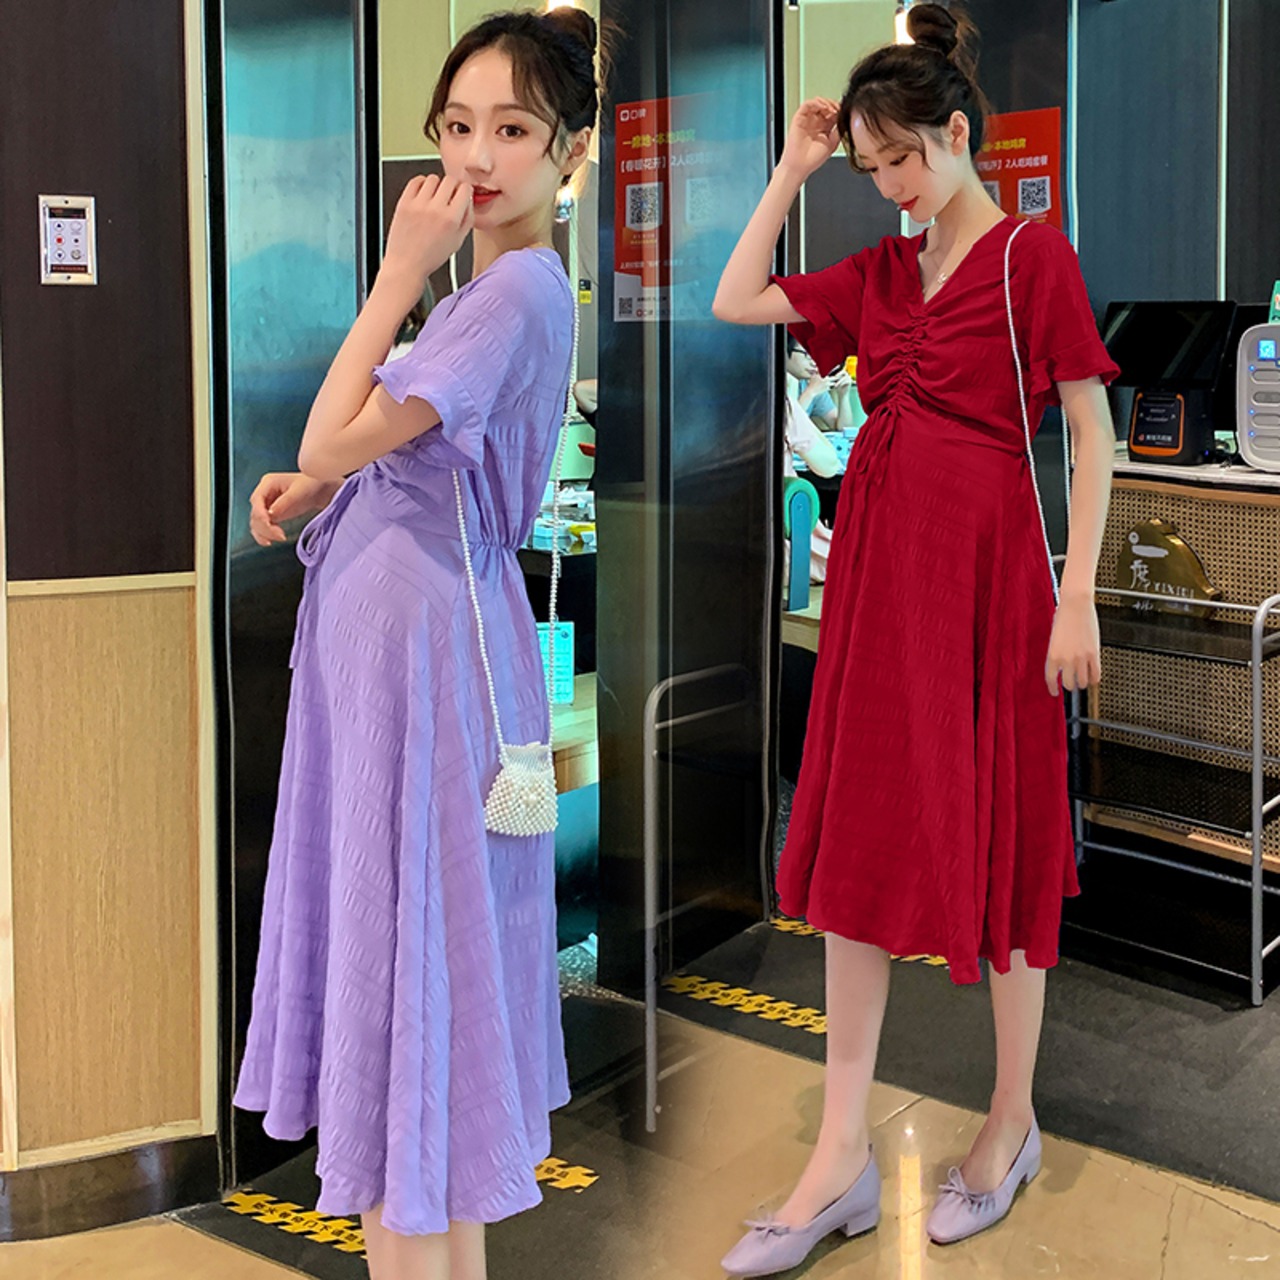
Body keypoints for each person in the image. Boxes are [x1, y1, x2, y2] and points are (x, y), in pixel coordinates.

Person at [712, 3, 1117, 1271]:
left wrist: (1076, 593)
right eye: (870, 164)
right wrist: (793, 169)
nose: (886, 183)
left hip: (991, 585)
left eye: (900, 158)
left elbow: (1089, 433)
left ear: (955, 134)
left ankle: (1009, 1118)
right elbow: (733, 296)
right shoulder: (881, 275)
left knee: (1004, 834)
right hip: (879, 592)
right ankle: (837, 1152)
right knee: (855, 843)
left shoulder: (1030, 259)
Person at [232, 10, 598, 1280]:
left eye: (512, 129)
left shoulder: (509, 290)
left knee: (409, 1009)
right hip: (409, 663)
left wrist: (396, 274)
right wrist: (326, 485)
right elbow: (380, 451)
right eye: (457, 126)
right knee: (418, 1008)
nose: (477, 156)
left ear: (569, 151)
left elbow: (332, 432)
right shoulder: (492, 293)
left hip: (428, 672)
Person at [786, 334, 858, 432]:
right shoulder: (769, 384)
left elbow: (844, 430)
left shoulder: (809, 384)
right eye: (807, 354)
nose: (814, 363)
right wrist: (810, 393)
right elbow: (783, 431)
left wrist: (843, 396)